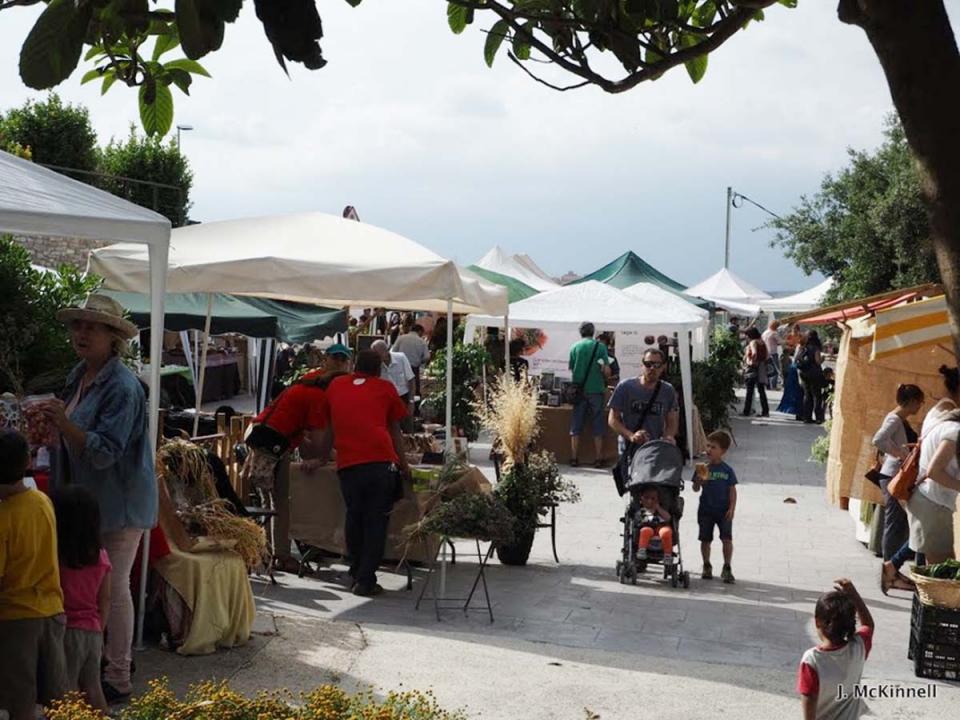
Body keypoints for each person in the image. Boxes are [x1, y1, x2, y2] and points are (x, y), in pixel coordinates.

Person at [42, 293, 155, 701]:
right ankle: (99, 664)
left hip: (117, 504)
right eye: (77, 325)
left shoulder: (122, 387)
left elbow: (106, 452)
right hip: (86, 502)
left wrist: (64, 423)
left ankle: (119, 674)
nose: (81, 333)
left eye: (91, 326)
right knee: (95, 586)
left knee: (116, 586)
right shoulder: (79, 375)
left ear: (113, 338)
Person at [243, 343, 353, 570]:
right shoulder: (318, 393)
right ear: (327, 360)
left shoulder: (310, 380)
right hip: (270, 442)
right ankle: (281, 556)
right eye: (337, 359)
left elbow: (296, 423)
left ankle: (270, 551)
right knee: (280, 502)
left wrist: (313, 448)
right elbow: (319, 436)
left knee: (270, 501)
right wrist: (321, 459)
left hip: (261, 433)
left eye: (343, 359)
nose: (340, 363)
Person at [318, 350, 411, 596]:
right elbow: (395, 430)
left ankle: (356, 569)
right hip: (381, 462)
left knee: (354, 516)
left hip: (348, 464)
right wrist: (404, 464)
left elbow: (329, 429)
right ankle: (366, 579)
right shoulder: (385, 388)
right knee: (376, 521)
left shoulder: (336, 385)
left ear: (354, 365)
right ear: (379, 369)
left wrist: (322, 456)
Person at [0, 429, 67, 720]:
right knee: (55, 698)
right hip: (52, 610)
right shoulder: (42, 501)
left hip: (16, 619)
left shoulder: (4, 519)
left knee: (21, 700)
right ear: (28, 461)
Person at [52, 486, 112, 713]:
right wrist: (101, 629)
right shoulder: (101, 555)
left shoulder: (57, 557)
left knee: (66, 692)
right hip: (93, 631)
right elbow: (105, 598)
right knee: (93, 687)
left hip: (66, 630)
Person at [872, 384, 924, 593]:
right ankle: (889, 568)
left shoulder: (899, 419)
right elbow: (878, 439)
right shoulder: (894, 419)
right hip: (894, 475)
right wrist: (901, 455)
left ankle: (893, 568)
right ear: (911, 401)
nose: (921, 406)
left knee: (900, 521)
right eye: (919, 401)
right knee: (895, 522)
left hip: (895, 475)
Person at [797, 579, 874, 720]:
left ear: (817, 621)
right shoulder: (858, 648)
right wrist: (853, 595)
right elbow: (868, 624)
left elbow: (809, 707)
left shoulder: (812, 661)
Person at [906, 366, 960, 565]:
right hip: (934, 504)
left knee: (928, 574)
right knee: (939, 577)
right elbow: (934, 471)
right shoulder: (954, 429)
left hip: (928, 501)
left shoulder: (940, 413)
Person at [608, 347, 679, 448]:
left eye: (657, 365)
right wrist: (631, 436)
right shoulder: (625, 387)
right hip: (629, 447)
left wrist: (668, 437)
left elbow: (672, 421)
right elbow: (613, 419)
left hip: (654, 449)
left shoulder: (667, 390)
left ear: (663, 367)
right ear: (642, 365)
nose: (652, 368)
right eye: (648, 364)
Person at [692, 430, 737, 583]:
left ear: (723, 451)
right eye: (708, 446)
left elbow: (732, 490)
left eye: (713, 447)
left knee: (727, 539)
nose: (709, 450)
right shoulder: (703, 468)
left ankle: (727, 566)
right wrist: (699, 480)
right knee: (705, 539)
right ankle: (706, 564)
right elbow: (696, 489)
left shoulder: (727, 470)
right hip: (706, 510)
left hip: (723, 511)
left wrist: (732, 508)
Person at [568, 322, 611, 468]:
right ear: (593, 332)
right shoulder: (600, 347)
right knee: (598, 422)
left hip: (579, 390)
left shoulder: (574, 347)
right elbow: (606, 369)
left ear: (580, 332)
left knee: (576, 423)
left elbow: (571, 368)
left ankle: (574, 457)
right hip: (596, 389)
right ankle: (598, 458)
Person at [635, 487, 674, 566]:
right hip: (648, 531)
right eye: (646, 498)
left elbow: (668, 518)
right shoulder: (642, 511)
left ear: (658, 500)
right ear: (641, 499)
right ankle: (642, 549)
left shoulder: (661, 510)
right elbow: (638, 520)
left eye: (653, 499)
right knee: (645, 530)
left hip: (660, 529)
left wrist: (658, 508)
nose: (650, 501)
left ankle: (667, 554)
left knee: (666, 531)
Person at [391, 324, 431, 399]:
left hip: (400, 367)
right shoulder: (421, 341)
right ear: (419, 331)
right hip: (413, 367)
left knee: (400, 387)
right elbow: (427, 356)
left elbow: (393, 351)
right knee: (414, 388)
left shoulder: (401, 338)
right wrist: (420, 361)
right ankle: (414, 406)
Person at [796, 330, 825, 424]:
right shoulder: (815, 348)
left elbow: (797, 358)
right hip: (814, 373)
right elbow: (818, 361)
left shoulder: (804, 347)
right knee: (817, 395)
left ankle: (806, 417)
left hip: (804, 373)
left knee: (807, 394)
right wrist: (822, 359)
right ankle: (818, 418)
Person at [742, 327, 770, 417]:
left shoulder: (753, 342)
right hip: (761, 368)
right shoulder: (762, 342)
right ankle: (765, 411)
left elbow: (754, 353)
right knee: (761, 390)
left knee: (749, 391)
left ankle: (747, 411)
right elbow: (767, 355)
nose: (746, 337)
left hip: (753, 368)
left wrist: (752, 362)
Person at [762, 320, 783, 390]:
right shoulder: (774, 333)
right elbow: (780, 342)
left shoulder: (765, 332)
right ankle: (773, 386)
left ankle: (767, 385)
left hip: (765, 353)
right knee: (775, 370)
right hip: (773, 353)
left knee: (766, 369)